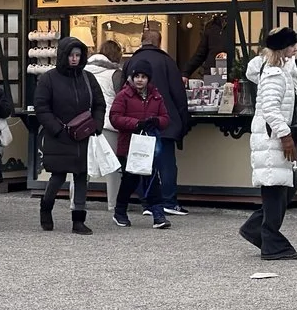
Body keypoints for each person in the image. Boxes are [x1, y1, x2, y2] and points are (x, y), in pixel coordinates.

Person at [242, 27, 297, 260]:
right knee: (276, 191)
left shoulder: (281, 71)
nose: (296, 48)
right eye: (293, 44)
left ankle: (256, 229)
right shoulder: (274, 73)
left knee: (285, 188)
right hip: (274, 140)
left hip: (275, 138)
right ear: (283, 48)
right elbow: (270, 109)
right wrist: (286, 136)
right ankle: (271, 241)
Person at [32, 36, 103, 235]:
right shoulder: (49, 79)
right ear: (63, 56)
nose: (74, 59)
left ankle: (78, 219)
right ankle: (46, 207)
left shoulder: (88, 78)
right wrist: (56, 128)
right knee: (58, 175)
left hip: (84, 134)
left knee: (81, 177)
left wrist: (97, 125)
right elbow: (42, 107)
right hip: (59, 135)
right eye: (71, 55)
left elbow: (99, 104)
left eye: (78, 55)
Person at [119, 31, 187, 215]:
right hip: (163, 121)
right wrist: (182, 120)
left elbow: (122, 91)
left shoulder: (131, 62)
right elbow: (179, 94)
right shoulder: (167, 62)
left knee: (142, 163)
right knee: (166, 164)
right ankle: (168, 201)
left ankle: (147, 202)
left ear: (141, 42)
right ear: (159, 42)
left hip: (138, 123)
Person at [107, 62, 172, 229]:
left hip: (148, 144)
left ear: (148, 79)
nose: (140, 80)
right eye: (137, 76)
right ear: (132, 77)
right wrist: (136, 124)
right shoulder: (123, 95)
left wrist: (156, 121)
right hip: (129, 145)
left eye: (143, 77)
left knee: (152, 179)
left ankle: (158, 214)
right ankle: (120, 211)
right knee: (130, 180)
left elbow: (165, 118)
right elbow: (114, 118)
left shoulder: (156, 96)